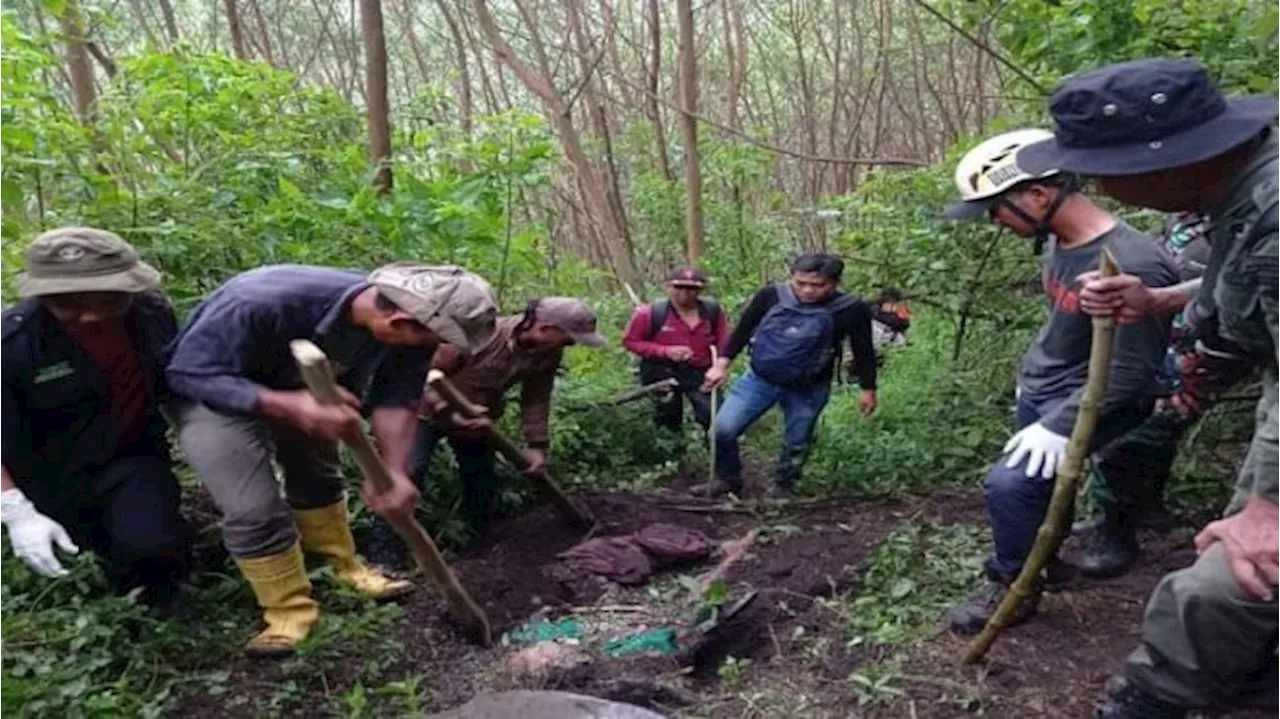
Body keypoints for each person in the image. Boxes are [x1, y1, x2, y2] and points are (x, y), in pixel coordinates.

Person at [1015, 57, 1280, 719]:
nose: (1093, 186)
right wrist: (1162, 297)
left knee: (1242, 568)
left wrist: (1271, 507)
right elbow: (1246, 277)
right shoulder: (1241, 190)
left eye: (1100, 170)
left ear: (1157, 167)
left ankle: (1155, 696)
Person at [166, 263, 497, 657]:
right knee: (253, 506)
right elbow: (187, 373)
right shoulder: (256, 302)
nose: (439, 348)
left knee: (319, 476)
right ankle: (288, 609)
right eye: (437, 339)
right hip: (213, 394)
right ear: (398, 321)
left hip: (308, 387)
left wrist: (392, 473)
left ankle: (342, 566)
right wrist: (286, 404)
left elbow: (399, 397)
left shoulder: (414, 331)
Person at [941, 129, 1180, 635]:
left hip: (1090, 398)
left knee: (1009, 485)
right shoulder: (1056, 240)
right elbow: (1064, 322)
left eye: (997, 208)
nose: (994, 222)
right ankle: (1044, 561)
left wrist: (1060, 422)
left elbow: (1134, 370)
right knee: (1048, 491)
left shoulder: (1131, 263)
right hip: (1046, 385)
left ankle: (1013, 584)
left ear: (1038, 195)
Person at [0, 228, 190, 605]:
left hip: (130, 458)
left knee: (153, 552)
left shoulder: (151, 315)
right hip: (43, 476)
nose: (89, 315)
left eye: (105, 301)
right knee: (73, 564)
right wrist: (16, 511)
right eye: (68, 304)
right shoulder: (12, 343)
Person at [1072, 212, 1219, 580]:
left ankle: (1117, 533)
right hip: (1158, 340)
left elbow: (1233, 286)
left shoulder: (1250, 211)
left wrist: (1196, 357)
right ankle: (1142, 508)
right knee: (1148, 428)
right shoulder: (1187, 214)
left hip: (1201, 350)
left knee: (1136, 432)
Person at [412, 297, 605, 537]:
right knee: (410, 471)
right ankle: (387, 548)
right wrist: (449, 411)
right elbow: (422, 376)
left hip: (477, 422)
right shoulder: (479, 335)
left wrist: (537, 446)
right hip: (424, 413)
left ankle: (482, 541)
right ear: (546, 329)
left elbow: (536, 398)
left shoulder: (548, 353)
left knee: (481, 482)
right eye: (568, 339)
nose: (570, 346)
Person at [697, 253, 878, 498]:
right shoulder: (771, 295)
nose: (807, 291)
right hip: (759, 379)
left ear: (835, 283)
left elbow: (863, 349)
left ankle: (783, 486)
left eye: (817, 285)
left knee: (797, 441)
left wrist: (868, 389)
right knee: (722, 430)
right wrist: (721, 364)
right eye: (800, 283)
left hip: (809, 388)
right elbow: (743, 329)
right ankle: (728, 478)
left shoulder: (851, 309)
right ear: (790, 276)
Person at [622, 267, 728, 435]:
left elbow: (724, 342)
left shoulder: (712, 311)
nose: (685, 293)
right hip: (661, 372)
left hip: (701, 373)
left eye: (692, 289)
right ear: (668, 287)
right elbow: (630, 341)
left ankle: (722, 459)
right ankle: (674, 459)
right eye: (679, 287)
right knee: (667, 422)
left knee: (717, 419)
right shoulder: (650, 314)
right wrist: (665, 351)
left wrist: (720, 368)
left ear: (701, 290)